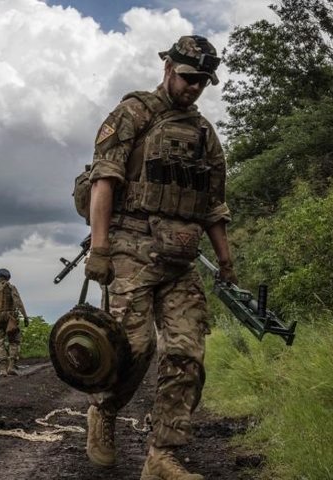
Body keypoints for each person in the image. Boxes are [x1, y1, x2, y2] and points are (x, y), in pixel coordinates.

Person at [83, 35, 237, 480]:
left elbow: (214, 206)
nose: (195, 88)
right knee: (134, 348)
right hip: (130, 247)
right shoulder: (133, 114)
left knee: (187, 353)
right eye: (189, 78)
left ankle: (162, 456)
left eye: (203, 81)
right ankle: (104, 410)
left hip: (180, 258)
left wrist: (226, 262)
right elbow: (104, 181)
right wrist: (99, 248)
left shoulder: (204, 135)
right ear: (168, 67)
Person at [0, 268, 29, 376]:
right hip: (10, 319)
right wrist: (25, 317)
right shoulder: (11, 288)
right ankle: (11, 367)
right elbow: (18, 302)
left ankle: (2, 369)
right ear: (8, 277)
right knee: (14, 341)